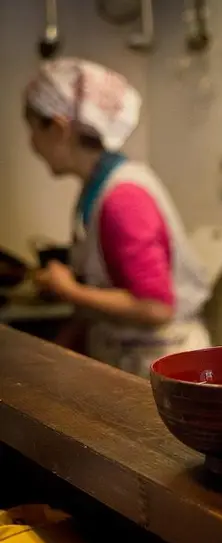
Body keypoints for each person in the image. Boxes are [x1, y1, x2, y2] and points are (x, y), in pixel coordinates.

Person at [24, 58, 210, 377]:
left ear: (57, 128)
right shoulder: (98, 186)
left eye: (33, 129)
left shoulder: (122, 199)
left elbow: (156, 308)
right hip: (131, 357)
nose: (32, 144)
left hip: (159, 365)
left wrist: (68, 289)